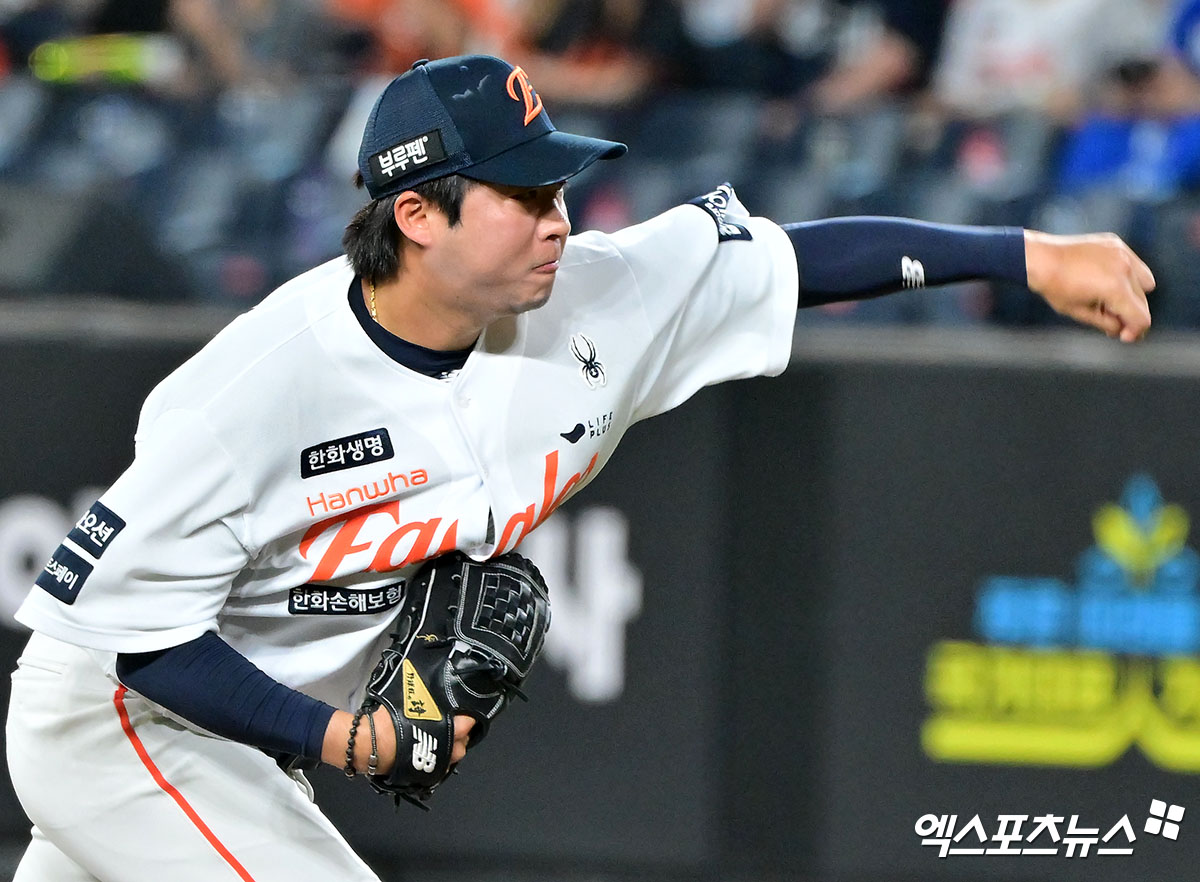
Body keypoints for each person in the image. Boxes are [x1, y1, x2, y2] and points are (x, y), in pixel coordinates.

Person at [5, 53, 1153, 882]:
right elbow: (130, 636)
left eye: (557, 189)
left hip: (235, 746)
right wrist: (335, 737)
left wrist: (1023, 254)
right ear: (419, 214)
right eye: (522, 197)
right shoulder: (252, 392)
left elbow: (796, 262)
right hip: (117, 721)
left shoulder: (596, 300)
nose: (558, 220)